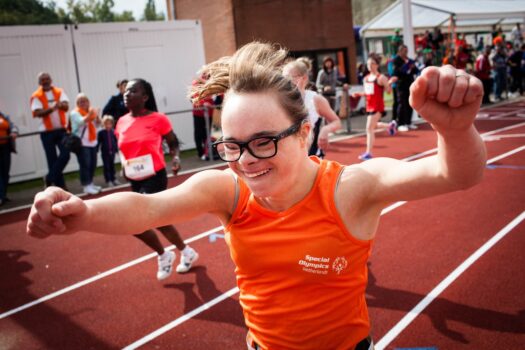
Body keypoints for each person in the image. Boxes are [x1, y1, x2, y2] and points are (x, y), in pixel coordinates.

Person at [27, 42, 487, 349]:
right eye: (232, 145)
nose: (246, 160)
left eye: (264, 141)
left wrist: (457, 130)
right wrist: (82, 212)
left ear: (304, 133)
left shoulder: (349, 189)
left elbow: (454, 174)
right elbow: (148, 206)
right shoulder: (229, 190)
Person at [115, 78, 198, 280]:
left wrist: (176, 158)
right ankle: (184, 251)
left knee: (136, 220)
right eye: (126, 91)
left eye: (132, 91)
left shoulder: (158, 119)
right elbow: (122, 148)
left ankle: (165, 254)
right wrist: (123, 164)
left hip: (155, 175)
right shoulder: (121, 121)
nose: (127, 94)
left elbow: (173, 142)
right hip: (135, 177)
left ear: (144, 97)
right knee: (158, 220)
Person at [283, 57, 341, 158]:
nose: (285, 81)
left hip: (311, 156)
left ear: (304, 78)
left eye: (290, 77)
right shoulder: (280, 100)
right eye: (283, 78)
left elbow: (336, 122)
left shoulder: (315, 99)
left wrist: (325, 130)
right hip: (288, 156)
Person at [351, 57, 398, 160]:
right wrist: (358, 94)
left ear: (377, 65)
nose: (370, 66)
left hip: (378, 106)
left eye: (372, 63)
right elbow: (367, 93)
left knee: (369, 128)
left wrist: (389, 82)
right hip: (369, 106)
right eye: (368, 64)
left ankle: (368, 152)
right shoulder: (366, 78)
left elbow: (389, 91)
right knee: (374, 126)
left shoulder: (381, 78)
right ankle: (390, 125)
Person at [30, 72, 70, 189]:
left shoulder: (59, 91)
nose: (46, 81)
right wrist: (51, 109)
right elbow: (37, 113)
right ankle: (60, 187)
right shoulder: (36, 95)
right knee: (51, 159)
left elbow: (66, 106)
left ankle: (49, 178)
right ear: (39, 82)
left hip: (61, 129)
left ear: (51, 80)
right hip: (46, 132)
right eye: (43, 80)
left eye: (47, 79)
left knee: (65, 155)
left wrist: (60, 105)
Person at [69, 93, 101, 195]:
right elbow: (81, 122)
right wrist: (91, 114)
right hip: (82, 143)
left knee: (93, 164)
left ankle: (90, 183)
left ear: (88, 102)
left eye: (85, 101)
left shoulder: (91, 112)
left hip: (92, 142)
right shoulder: (74, 113)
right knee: (85, 165)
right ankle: (86, 186)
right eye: (80, 101)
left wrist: (97, 117)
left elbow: (97, 125)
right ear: (77, 103)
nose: (83, 103)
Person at [393, 45, 419, 132]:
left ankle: (408, 122)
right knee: (402, 104)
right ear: (400, 51)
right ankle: (400, 123)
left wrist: (413, 67)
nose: (406, 53)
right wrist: (406, 66)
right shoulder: (396, 60)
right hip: (401, 85)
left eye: (406, 51)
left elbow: (416, 71)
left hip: (409, 84)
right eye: (404, 51)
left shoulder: (409, 60)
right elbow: (396, 72)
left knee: (410, 103)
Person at [191, 72, 215, 160]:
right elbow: (193, 97)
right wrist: (203, 103)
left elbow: (217, 96)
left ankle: (207, 152)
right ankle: (200, 153)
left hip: (209, 113)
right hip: (198, 113)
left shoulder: (213, 83)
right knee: (198, 134)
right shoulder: (196, 83)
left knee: (207, 134)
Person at [0, 111, 18, 206]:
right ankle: (1, 196)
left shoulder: (3, 116)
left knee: (5, 172)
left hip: (5, 147)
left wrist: (14, 131)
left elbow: (12, 125)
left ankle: (3, 195)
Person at [97, 115, 120, 187]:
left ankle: (113, 179)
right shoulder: (101, 133)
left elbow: (115, 141)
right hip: (105, 152)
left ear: (112, 124)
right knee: (106, 166)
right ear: (103, 124)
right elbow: (98, 142)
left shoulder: (113, 131)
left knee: (112, 165)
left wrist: (117, 150)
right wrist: (96, 150)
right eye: (106, 124)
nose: (108, 125)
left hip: (112, 152)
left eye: (109, 123)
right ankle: (108, 180)